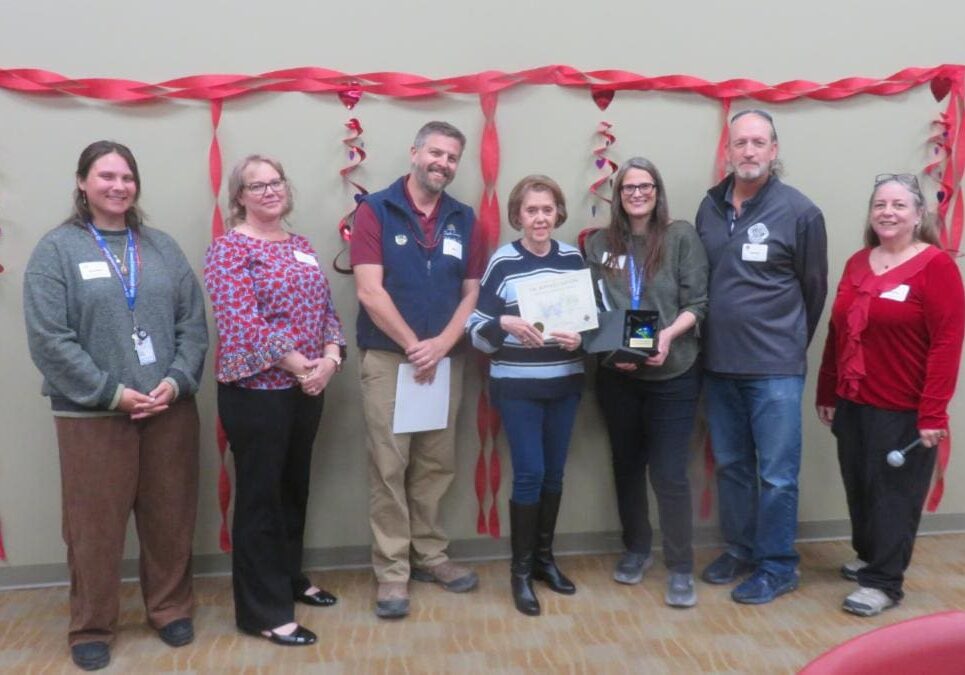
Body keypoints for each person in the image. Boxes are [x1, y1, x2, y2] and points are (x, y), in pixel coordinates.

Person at [23, 141, 208, 671]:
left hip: (168, 410)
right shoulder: (56, 250)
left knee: (170, 519)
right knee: (92, 529)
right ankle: (92, 625)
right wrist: (111, 393)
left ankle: (170, 608)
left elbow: (191, 325)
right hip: (92, 417)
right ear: (82, 182)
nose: (118, 186)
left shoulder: (162, 248)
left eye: (127, 176)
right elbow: (49, 339)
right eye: (106, 176)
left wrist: (175, 382)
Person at [204, 155, 346, 646]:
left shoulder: (301, 245)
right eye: (256, 185)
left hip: (308, 388)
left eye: (275, 182)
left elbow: (327, 310)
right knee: (261, 500)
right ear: (239, 197)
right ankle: (262, 611)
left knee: (293, 489)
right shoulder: (228, 250)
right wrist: (298, 364)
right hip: (256, 394)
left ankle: (288, 578)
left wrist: (329, 359)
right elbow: (241, 323)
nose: (269, 191)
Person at [351, 121, 486, 619]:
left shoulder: (464, 218)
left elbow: (472, 292)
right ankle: (392, 572)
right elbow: (369, 290)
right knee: (389, 466)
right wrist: (413, 345)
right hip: (390, 360)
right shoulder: (375, 210)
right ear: (414, 153)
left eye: (452, 157)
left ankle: (429, 555)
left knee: (435, 464)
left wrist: (443, 344)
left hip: (443, 360)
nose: (443, 164)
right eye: (436, 153)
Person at [816, 173, 964, 617]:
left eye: (899, 205)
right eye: (880, 204)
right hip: (853, 400)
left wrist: (933, 413)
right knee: (859, 484)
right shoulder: (859, 262)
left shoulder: (937, 266)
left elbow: (947, 343)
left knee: (893, 494)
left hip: (904, 407)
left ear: (919, 215)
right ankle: (868, 554)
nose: (888, 212)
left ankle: (883, 582)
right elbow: (837, 331)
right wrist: (827, 388)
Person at [696, 109, 828, 604]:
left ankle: (778, 566)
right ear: (727, 151)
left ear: (774, 150)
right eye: (740, 143)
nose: (748, 151)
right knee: (731, 466)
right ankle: (742, 549)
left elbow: (814, 291)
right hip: (719, 365)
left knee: (776, 474)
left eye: (758, 142)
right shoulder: (709, 207)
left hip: (774, 370)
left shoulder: (800, 212)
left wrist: (788, 344)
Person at [584, 157, 708, 608]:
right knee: (626, 466)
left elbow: (699, 301)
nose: (637, 194)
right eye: (628, 187)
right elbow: (591, 307)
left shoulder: (681, 237)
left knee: (670, 473)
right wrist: (610, 352)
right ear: (617, 195)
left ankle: (679, 566)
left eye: (646, 186)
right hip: (618, 376)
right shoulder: (599, 243)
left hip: (672, 372)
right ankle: (636, 549)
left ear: (657, 191)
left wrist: (667, 336)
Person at [466, 175, 584, 616]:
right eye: (531, 210)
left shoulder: (573, 259)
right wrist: (505, 325)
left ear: (558, 213)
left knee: (554, 476)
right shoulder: (502, 262)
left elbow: (594, 320)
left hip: (565, 383)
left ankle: (543, 562)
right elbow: (475, 331)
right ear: (518, 215)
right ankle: (519, 572)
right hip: (517, 388)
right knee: (530, 474)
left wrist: (581, 339)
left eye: (547, 209)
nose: (539, 218)